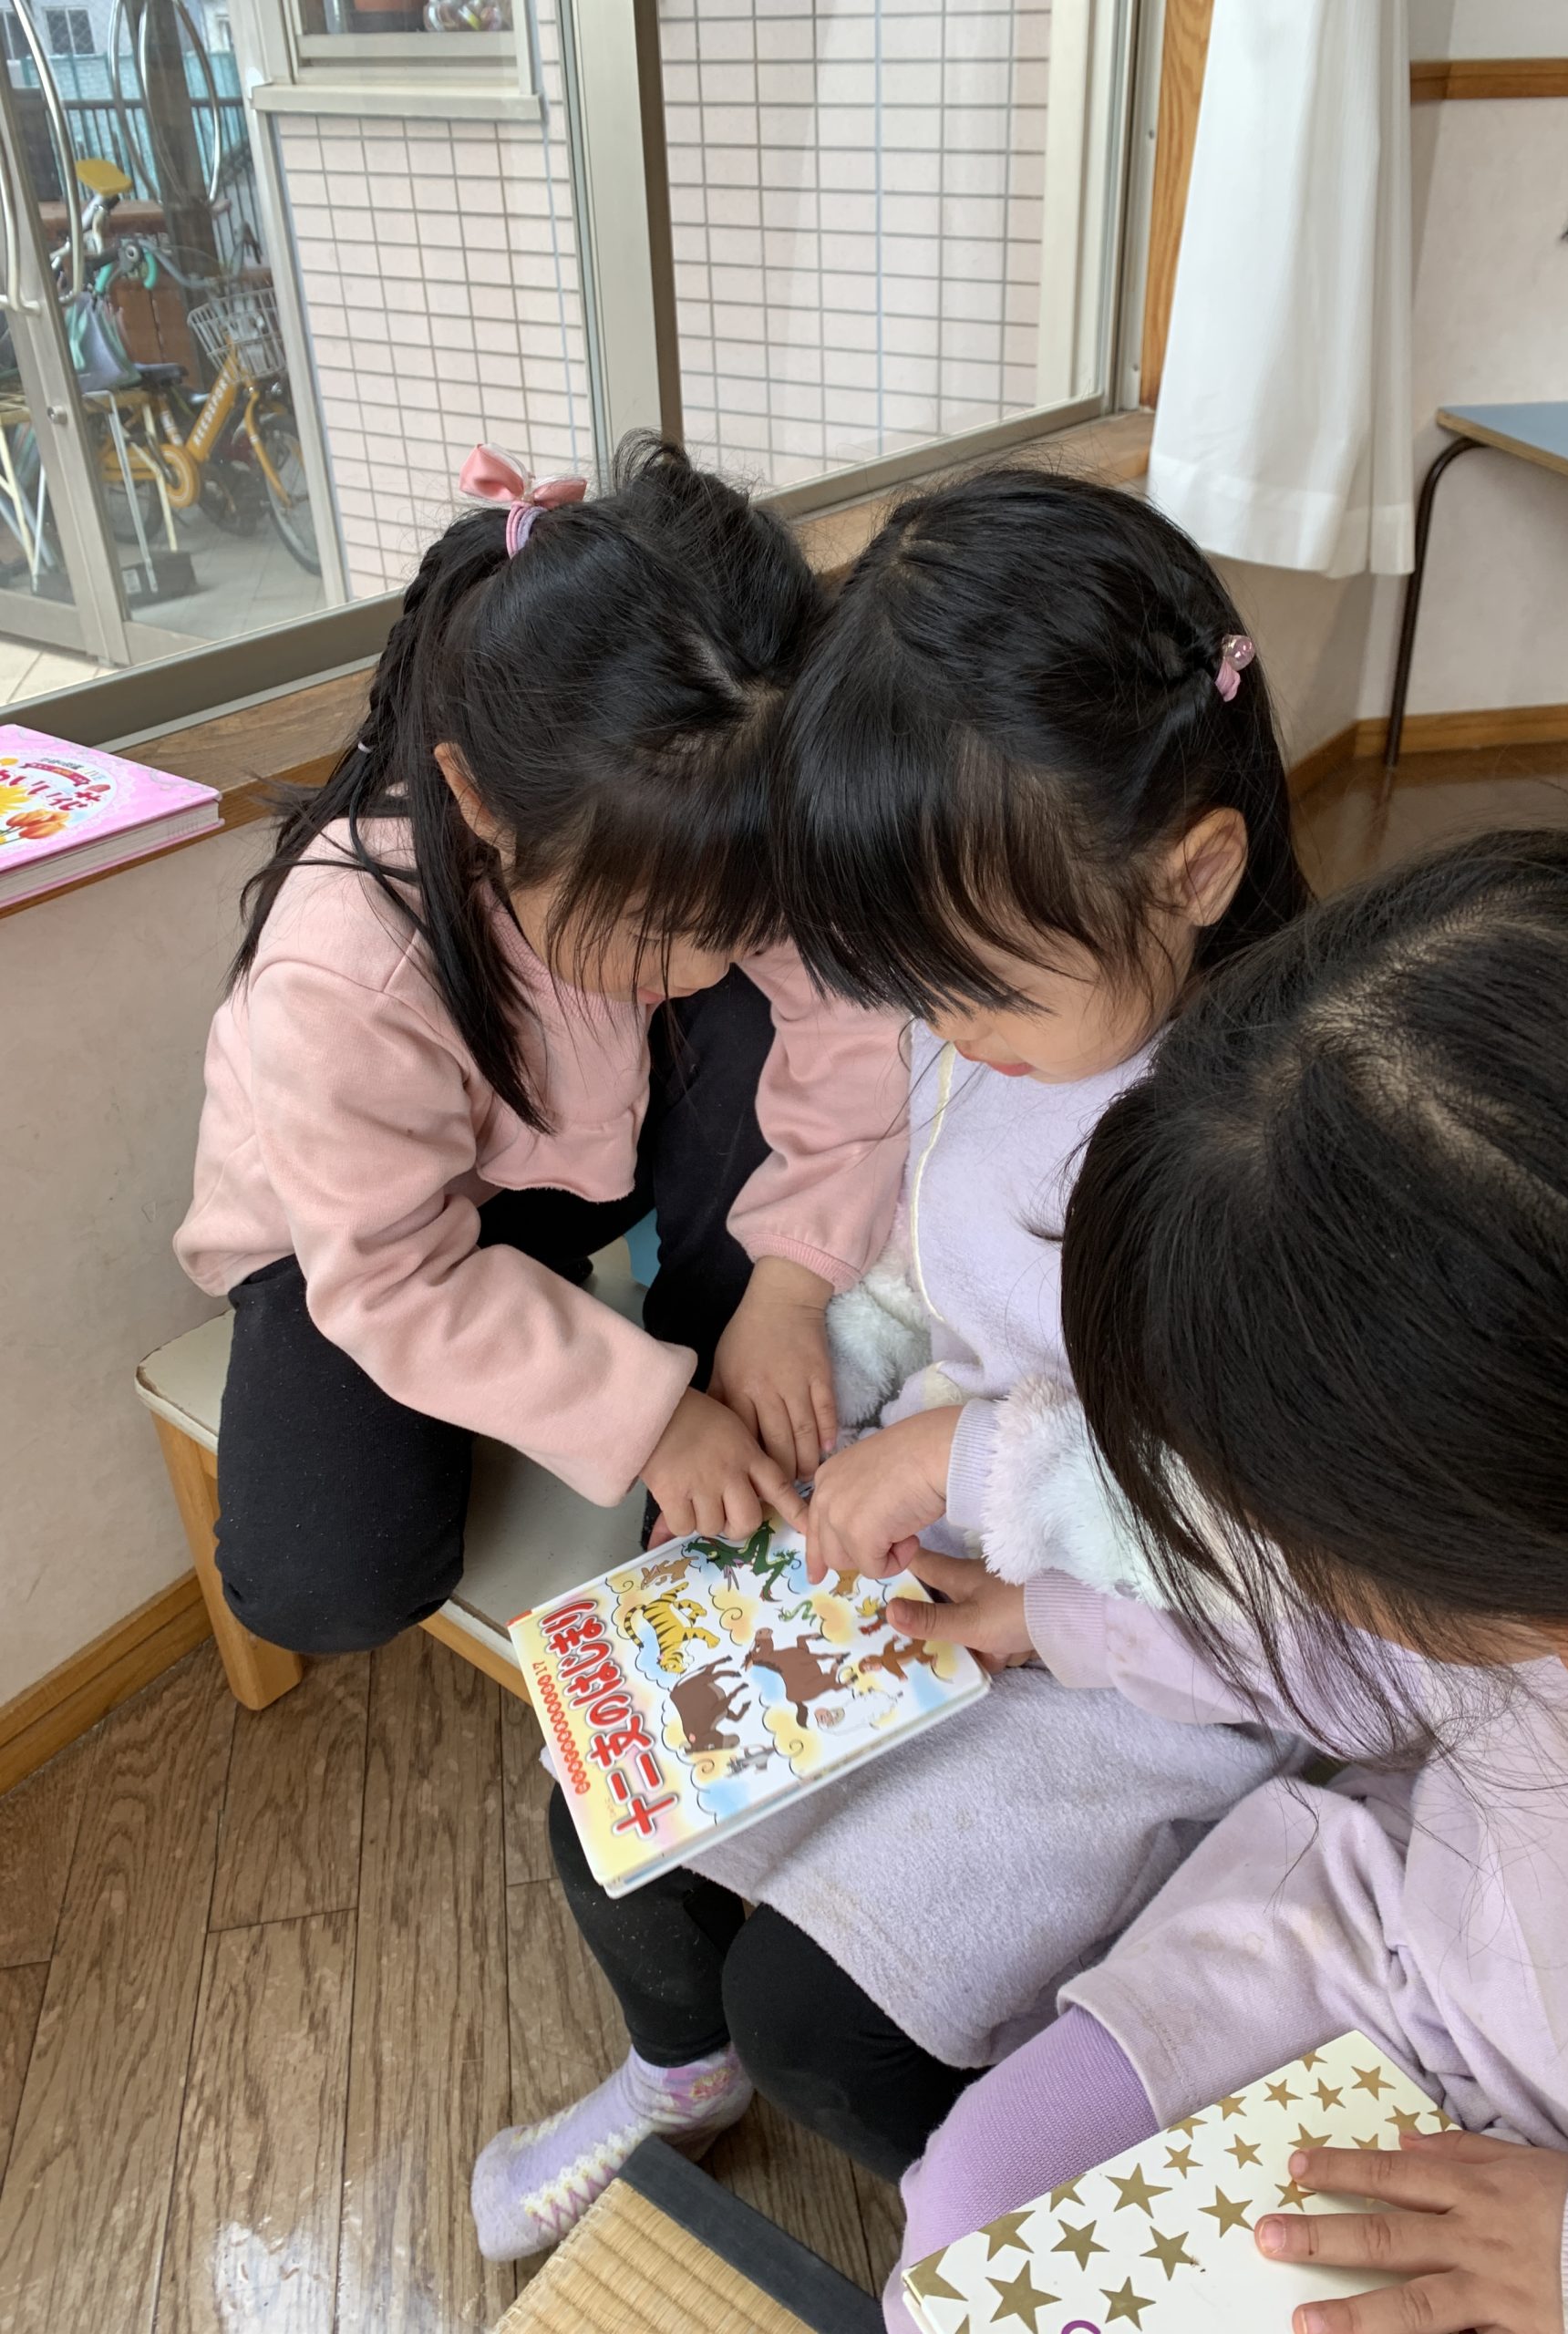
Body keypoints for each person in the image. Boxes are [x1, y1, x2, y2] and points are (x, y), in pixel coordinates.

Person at [469, 470, 1307, 2261]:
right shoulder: (998, 1027)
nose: (939, 1030)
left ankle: (1064, 2218)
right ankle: (676, 2071)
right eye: (905, 979)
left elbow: (1269, 1527)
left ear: (1197, 871)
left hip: (1158, 1655)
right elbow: (932, 1272)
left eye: (971, 985)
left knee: (824, 2013)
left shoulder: (1277, 1139)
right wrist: (828, 1384)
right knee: (607, 1804)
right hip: (942, 1562)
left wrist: (962, 1467)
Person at [882, 828, 1568, 2334]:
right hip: (1411, 1964)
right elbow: (1312, 1647)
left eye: (1292, 1527)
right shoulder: (1547, 1519)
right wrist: (1054, 1616)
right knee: (964, 2231)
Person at [175, 436, 908, 1659]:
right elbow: (392, 1278)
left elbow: (851, 1021)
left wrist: (788, 1286)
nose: (703, 966)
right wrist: (649, 1417)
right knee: (322, 1580)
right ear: (479, 801)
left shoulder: (726, 807)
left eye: (735, 921)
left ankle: (712, 1358)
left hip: (571, 1166)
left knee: (770, 1015)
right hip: (352, 1244)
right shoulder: (344, 962)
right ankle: (641, 1388)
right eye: (661, 932)